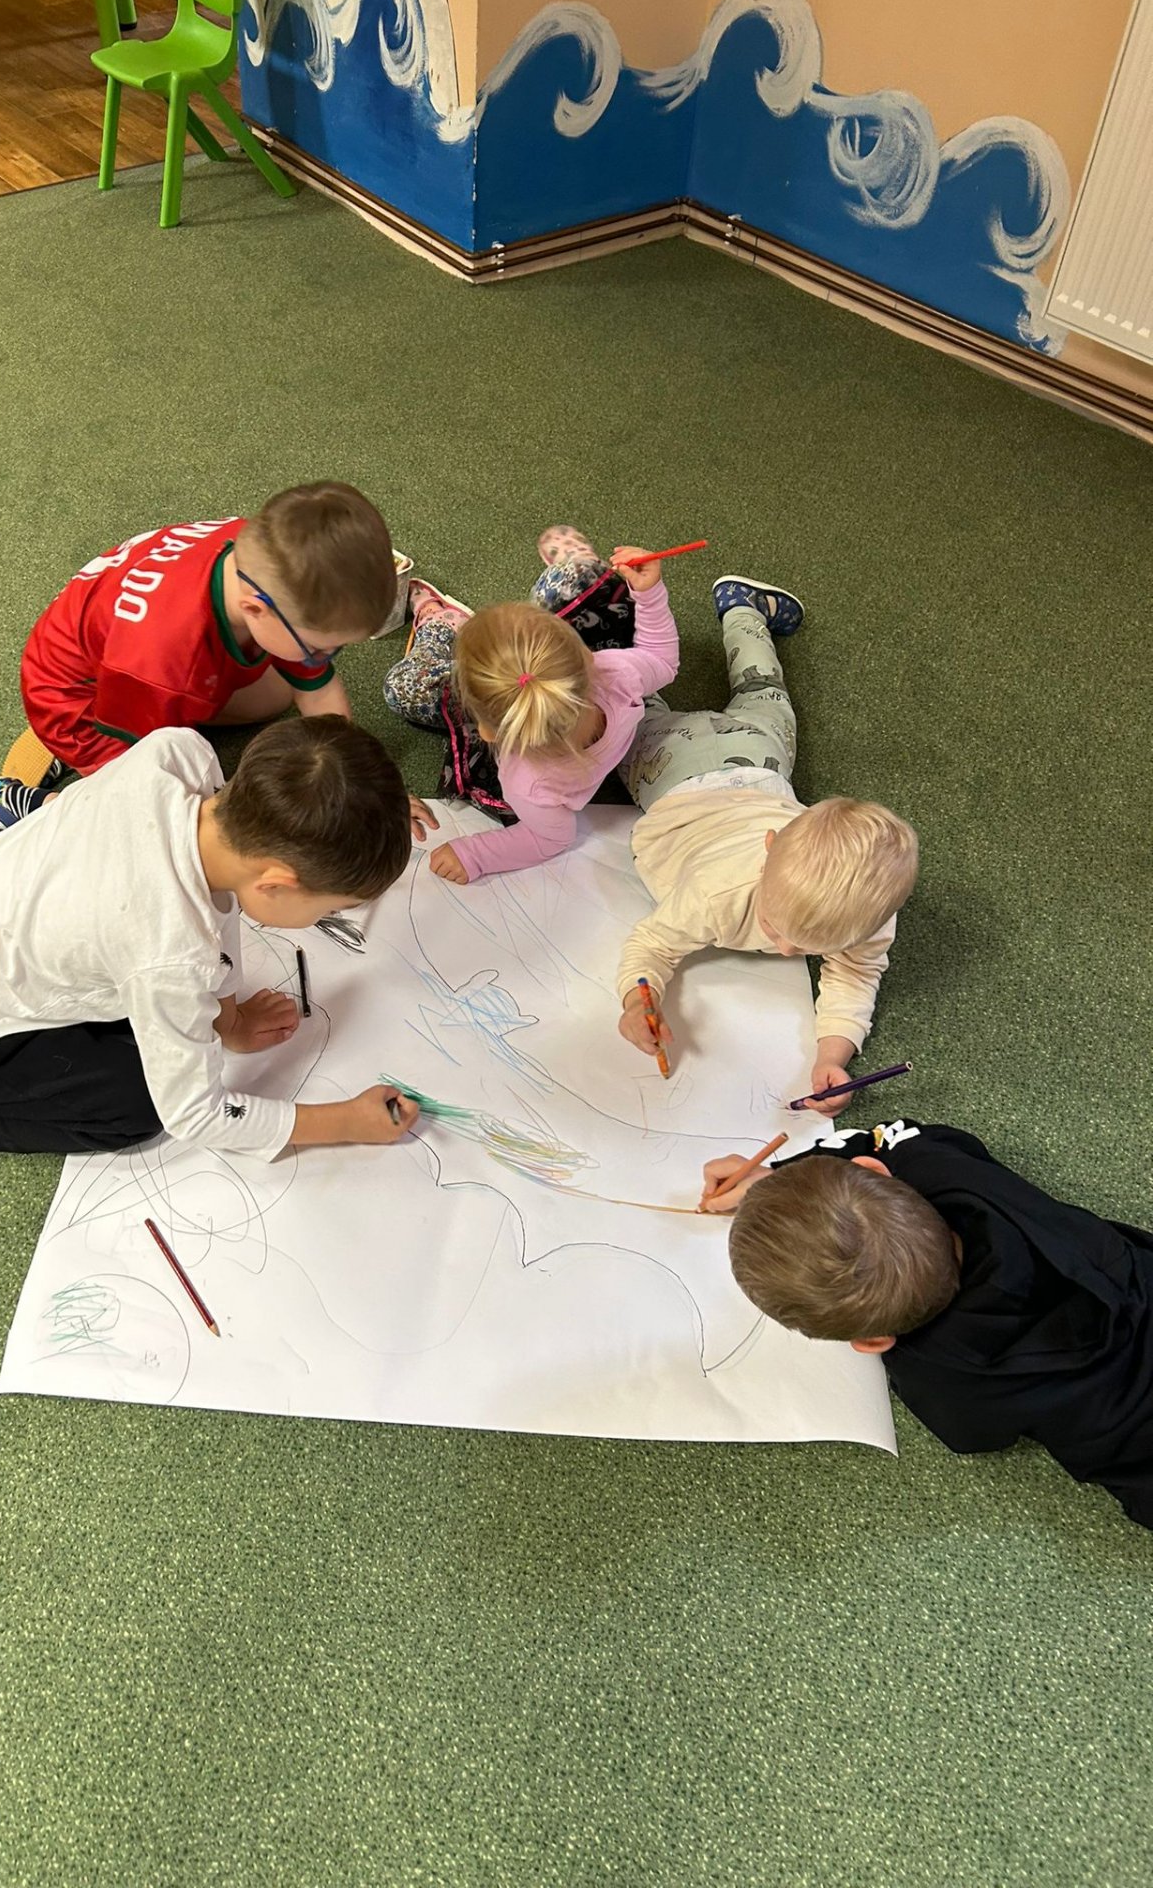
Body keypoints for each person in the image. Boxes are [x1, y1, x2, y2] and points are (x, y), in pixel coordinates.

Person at [0, 718, 423, 1155]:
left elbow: (214, 912)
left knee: (156, 1023)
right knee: (137, 1105)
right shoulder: (169, 957)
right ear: (275, 884)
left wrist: (230, 1019)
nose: (331, 915)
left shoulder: (180, 754)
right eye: (333, 907)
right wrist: (343, 1121)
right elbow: (196, 1115)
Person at [702, 1120, 1153, 1531]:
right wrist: (780, 1172)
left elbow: (973, 1438)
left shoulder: (941, 1376)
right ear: (875, 1171)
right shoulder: (947, 1170)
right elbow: (893, 1134)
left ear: (873, 1341)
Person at [612, 573, 917, 1110]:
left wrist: (833, 1056)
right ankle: (633, 619)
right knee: (629, 708)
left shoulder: (868, 915)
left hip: (759, 760)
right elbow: (652, 944)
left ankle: (741, 610)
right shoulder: (718, 893)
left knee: (763, 691)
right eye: (777, 928)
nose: (787, 952)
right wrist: (638, 999)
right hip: (672, 772)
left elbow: (856, 972)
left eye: (807, 948)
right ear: (769, 847)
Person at [13, 481, 401, 782]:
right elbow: (149, 767)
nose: (324, 659)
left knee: (278, 694)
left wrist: (357, 778)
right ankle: (34, 801)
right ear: (255, 609)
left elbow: (319, 694)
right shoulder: (162, 660)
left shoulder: (265, 552)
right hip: (76, 701)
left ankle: (180, 711)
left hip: (140, 661)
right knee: (175, 813)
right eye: (319, 648)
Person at [382, 527, 681, 880]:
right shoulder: (616, 673)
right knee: (574, 581)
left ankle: (441, 624)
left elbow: (549, 838)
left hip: (537, 676)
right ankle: (578, 580)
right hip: (551, 667)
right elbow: (662, 660)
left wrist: (475, 854)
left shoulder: (528, 783)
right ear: (586, 654)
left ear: (486, 731)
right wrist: (649, 594)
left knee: (402, 688)